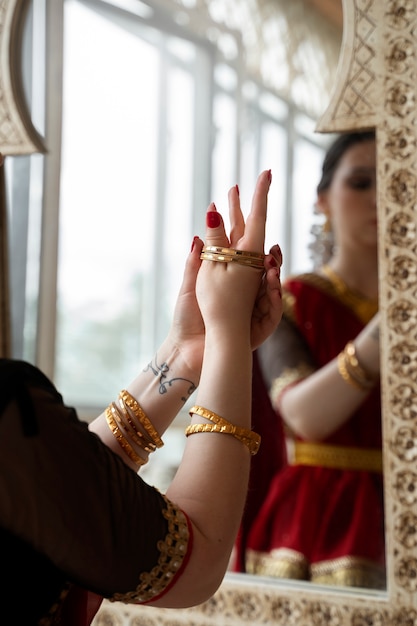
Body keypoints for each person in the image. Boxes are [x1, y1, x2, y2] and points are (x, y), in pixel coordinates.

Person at [0, 168, 283, 625]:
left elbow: (70, 497)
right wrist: (228, 334)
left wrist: (186, 355)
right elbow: (197, 556)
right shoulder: (10, 410)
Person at [234, 131, 385, 590]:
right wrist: (385, 331)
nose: (382, 196)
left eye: (398, 180)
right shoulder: (291, 300)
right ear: (323, 200)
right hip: (321, 516)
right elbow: (302, 413)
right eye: (361, 182)